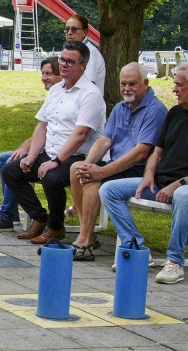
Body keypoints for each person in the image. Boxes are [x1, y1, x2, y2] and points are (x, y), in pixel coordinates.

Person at [101, 62, 188, 284]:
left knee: (182, 195)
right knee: (108, 189)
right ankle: (138, 247)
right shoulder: (175, 113)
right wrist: (149, 175)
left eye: (179, 85)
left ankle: (174, 263)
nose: (174, 90)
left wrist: (180, 183)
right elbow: (157, 152)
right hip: (160, 184)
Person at [2, 40, 105, 245]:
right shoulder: (57, 89)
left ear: (83, 66)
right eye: (62, 59)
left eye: (70, 62)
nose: (64, 65)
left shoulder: (90, 94)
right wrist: (31, 157)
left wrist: (56, 160)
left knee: (51, 176)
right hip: (50, 152)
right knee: (11, 170)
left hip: (79, 157)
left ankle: (56, 227)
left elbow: (80, 135)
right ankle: (40, 218)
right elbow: (42, 126)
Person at [67, 62, 168, 260]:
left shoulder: (154, 110)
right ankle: (86, 232)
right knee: (77, 168)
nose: (127, 89)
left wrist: (102, 172)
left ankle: (85, 240)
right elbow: (105, 140)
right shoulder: (121, 107)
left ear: (145, 83)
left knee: (94, 179)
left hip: (140, 171)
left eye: (132, 84)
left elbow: (141, 152)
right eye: (123, 84)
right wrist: (89, 164)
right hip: (120, 166)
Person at [0, 56, 62, 231]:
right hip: (45, 150)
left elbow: (53, 132)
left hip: (57, 155)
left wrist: (28, 151)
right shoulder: (54, 95)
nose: (44, 77)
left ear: (60, 75)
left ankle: (7, 216)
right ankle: (11, 211)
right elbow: (41, 128)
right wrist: (24, 148)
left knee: (10, 163)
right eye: (43, 73)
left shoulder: (67, 97)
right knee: (4, 158)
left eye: (49, 73)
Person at [64, 13, 105, 93]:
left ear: (85, 32)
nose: (69, 33)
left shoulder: (90, 52)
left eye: (74, 29)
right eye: (67, 29)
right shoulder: (76, 52)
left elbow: (88, 86)